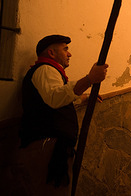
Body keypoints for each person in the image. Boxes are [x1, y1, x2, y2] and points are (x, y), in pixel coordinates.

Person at [17, 34, 108, 194]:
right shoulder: (45, 69)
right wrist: (89, 80)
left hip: (53, 146)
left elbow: (56, 99)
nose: (69, 54)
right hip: (47, 147)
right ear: (51, 53)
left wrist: (83, 98)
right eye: (65, 49)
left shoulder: (50, 71)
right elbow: (55, 98)